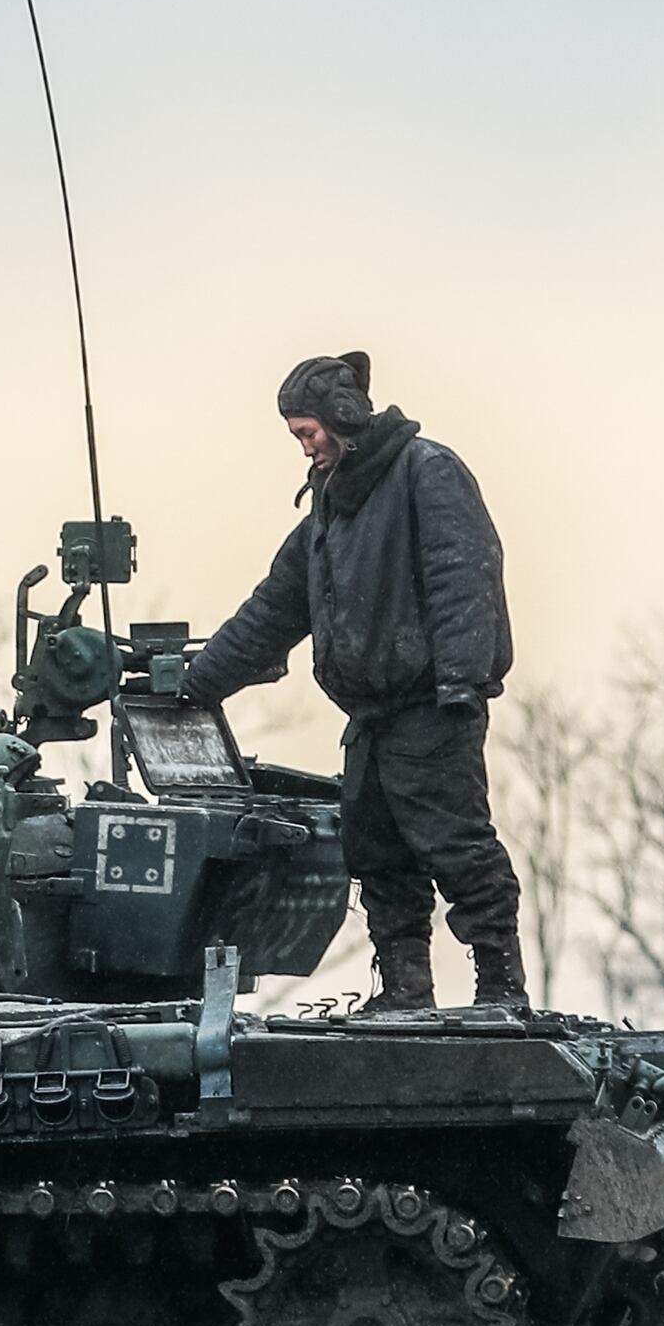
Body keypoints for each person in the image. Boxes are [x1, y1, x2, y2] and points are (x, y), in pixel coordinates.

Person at [182, 351, 525, 1012]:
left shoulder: (426, 472)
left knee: (457, 847)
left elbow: (465, 574)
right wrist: (197, 686)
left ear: (343, 420)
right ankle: (406, 990)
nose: (305, 449)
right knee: (375, 852)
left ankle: (501, 987)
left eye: (307, 433)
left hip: (433, 704)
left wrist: (463, 680)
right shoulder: (326, 516)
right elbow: (271, 611)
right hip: (370, 714)